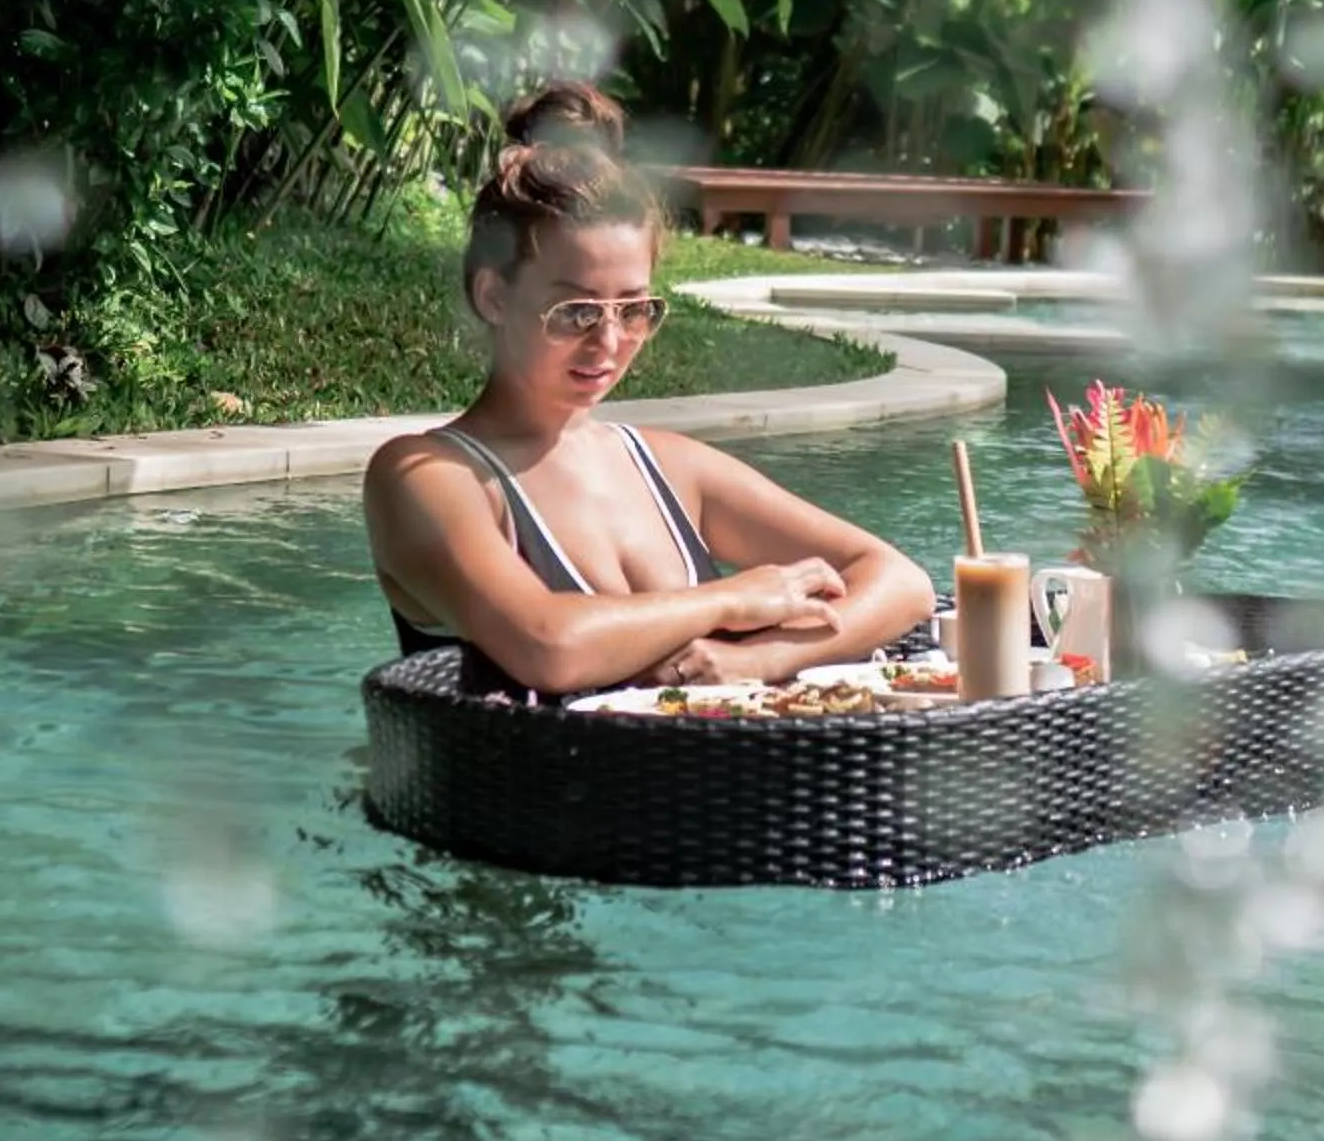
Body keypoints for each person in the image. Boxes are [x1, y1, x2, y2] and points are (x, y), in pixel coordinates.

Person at [365, 82, 933, 698]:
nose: (609, 342)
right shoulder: (426, 478)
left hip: (702, 787)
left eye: (634, 309)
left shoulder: (667, 466)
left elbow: (901, 582)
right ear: (494, 296)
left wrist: (760, 659)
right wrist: (734, 597)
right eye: (576, 310)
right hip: (527, 790)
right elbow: (546, 645)